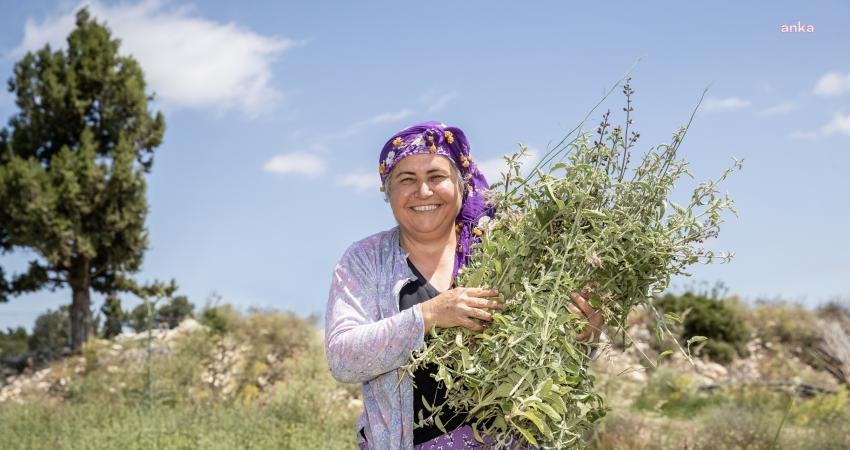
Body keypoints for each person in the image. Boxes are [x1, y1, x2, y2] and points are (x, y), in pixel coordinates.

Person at [325, 121, 604, 450]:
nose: (424, 191)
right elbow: (343, 358)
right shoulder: (365, 260)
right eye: (406, 180)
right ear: (387, 192)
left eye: (436, 177)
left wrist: (585, 336)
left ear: (462, 184)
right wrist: (429, 314)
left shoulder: (508, 247)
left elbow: (552, 357)